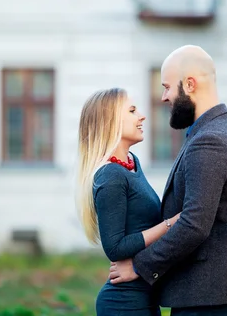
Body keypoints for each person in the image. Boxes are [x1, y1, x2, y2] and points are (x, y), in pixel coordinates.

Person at [108, 45, 227, 316]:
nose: (164, 97)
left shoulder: (209, 141)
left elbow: (194, 225)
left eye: (167, 87)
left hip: (208, 301)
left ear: (189, 84)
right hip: (224, 295)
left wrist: (139, 265)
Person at [76, 87, 181, 315]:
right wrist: (171, 224)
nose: (142, 116)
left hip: (145, 296)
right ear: (110, 121)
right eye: (132, 111)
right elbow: (115, 247)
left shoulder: (132, 163)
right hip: (124, 303)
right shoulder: (110, 175)